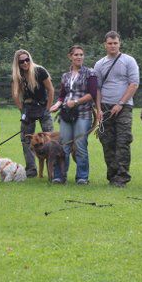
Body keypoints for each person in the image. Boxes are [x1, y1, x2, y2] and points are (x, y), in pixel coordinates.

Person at [94, 31, 139, 187]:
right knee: (107, 142)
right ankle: (112, 175)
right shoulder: (99, 64)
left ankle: (122, 176)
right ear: (105, 45)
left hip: (124, 107)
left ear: (120, 44)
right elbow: (97, 89)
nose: (113, 46)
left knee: (123, 141)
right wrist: (98, 109)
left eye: (115, 43)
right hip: (105, 107)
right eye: (110, 43)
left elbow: (134, 84)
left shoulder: (129, 61)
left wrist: (120, 103)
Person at [50, 45, 98, 184]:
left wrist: (76, 102)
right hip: (66, 114)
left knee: (80, 145)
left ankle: (82, 177)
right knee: (63, 145)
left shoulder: (90, 73)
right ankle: (59, 176)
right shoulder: (65, 76)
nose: (79, 57)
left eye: (81, 54)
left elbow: (92, 94)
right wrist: (57, 104)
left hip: (83, 113)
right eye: (76, 55)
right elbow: (62, 95)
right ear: (70, 56)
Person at [11, 49, 55, 178]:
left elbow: (51, 89)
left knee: (50, 137)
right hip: (28, 107)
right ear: (17, 63)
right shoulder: (17, 75)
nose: (25, 63)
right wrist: (21, 109)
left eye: (27, 60)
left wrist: (48, 108)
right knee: (26, 138)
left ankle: (52, 168)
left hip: (43, 105)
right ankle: (31, 169)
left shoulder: (39, 71)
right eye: (21, 61)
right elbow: (15, 94)